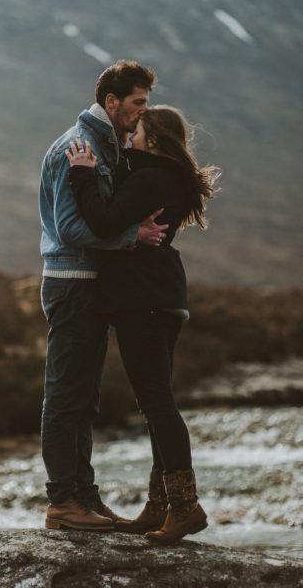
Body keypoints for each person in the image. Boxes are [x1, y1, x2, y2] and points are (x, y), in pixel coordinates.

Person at [66, 105, 220, 544]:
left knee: (157, 405)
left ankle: (185, 507)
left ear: (154, 138)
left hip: (143, 301)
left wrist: (82, 174)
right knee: (157, 402)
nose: (130, 132)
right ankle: (159, 507)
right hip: (163, 298)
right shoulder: (164, 175)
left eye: (138, 129)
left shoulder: (150, 178)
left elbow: (103, 219)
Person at [39, 60, 168, 532]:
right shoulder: (77, 146)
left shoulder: (106, 145)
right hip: (71, 283)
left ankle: (85, 496)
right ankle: (61, 501)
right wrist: (131, 236)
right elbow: (72, 227)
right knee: (65, 395)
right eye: (137, 103)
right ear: (111, 101)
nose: (142, 113)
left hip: (91, 285)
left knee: (85, 398)